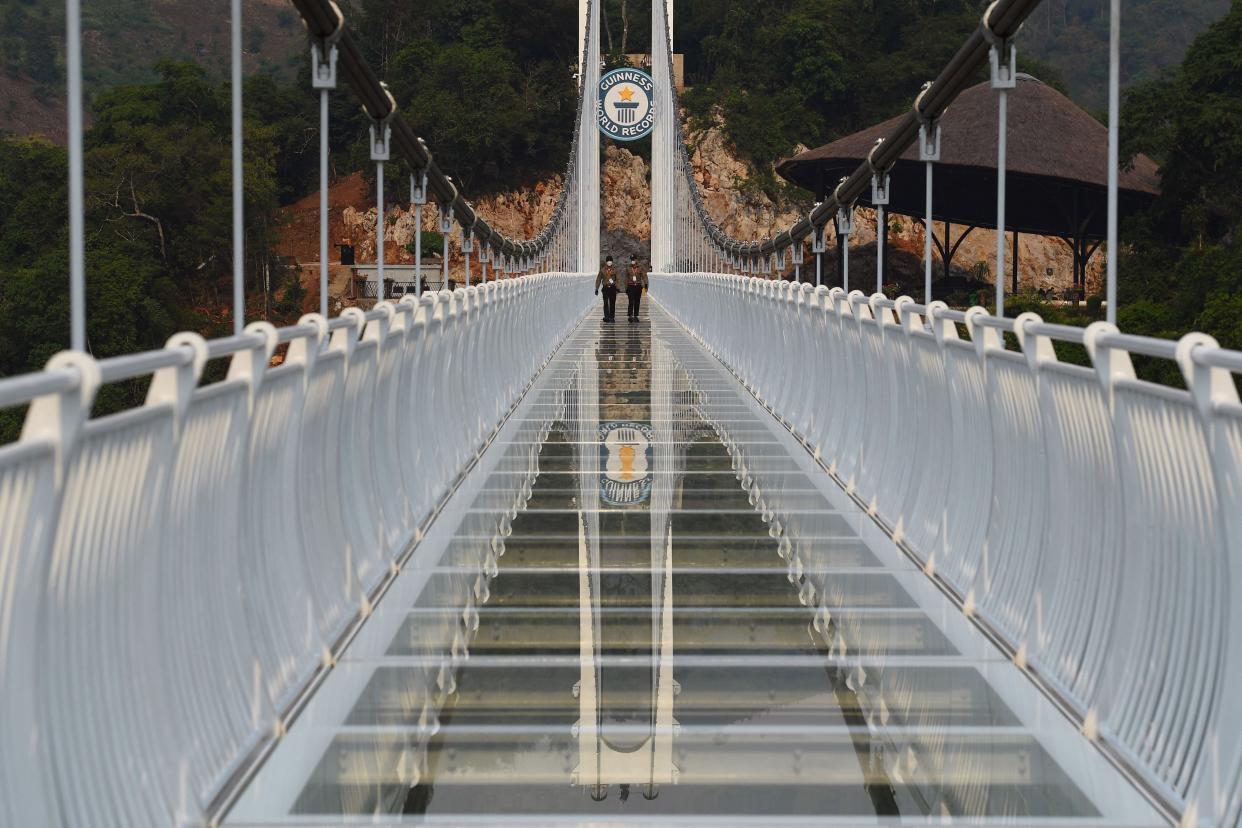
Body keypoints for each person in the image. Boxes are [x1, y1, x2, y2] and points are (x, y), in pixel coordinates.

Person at [595, 255, 620, 322]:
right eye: (608, 261)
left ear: (612, 262)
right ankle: (606, 316)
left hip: (612, 288)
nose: (609, 262)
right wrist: (596, 288)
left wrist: (617, 287)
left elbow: (618, 279)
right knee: (605, 302)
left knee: (612, 303)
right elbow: (598, 279)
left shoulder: (615, 270)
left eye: (610, 261)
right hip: (605, 288)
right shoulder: (602, 270)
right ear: (606, 262)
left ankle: (612, 317)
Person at [624, 254, 647, 322]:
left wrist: (645, 284)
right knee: (631, 301)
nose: (632, 261)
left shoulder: (640, 267)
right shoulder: (628, 268)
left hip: (638, 286)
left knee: (637, 301)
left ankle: (636, 315)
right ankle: (630, 315)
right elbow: (626, 278)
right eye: (631, 260)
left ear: (636, 260)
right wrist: (626, 288)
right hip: (630, 286)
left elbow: (644, 276)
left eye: (633, 259)